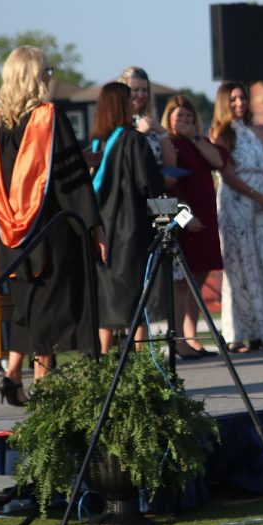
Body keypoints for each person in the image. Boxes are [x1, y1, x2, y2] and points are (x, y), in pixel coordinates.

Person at [0, 46, 105, 405]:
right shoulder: (47, 117)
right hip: (52, 231)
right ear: (35, 76)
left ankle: (13, 376)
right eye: (47, 71)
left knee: (30, 307)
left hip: (13, 235)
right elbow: (70, 183)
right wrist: (94, 227)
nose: (50, 77)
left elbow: (5, 180)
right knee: (53, 312)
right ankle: (46, 390)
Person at [210, 82, 263, 353]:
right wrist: (258, 197)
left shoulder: (255, 131)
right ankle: (237, 334)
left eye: (242, 98)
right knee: (240, 267)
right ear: (224, 101)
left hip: (261, 201)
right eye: (233, 99)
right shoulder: (221, 133)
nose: (239, 103)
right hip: (236, 202)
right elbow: (226, 174)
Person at [90, 82, 164, 354]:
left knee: (109, 298)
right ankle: (143, 362)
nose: (135, 102)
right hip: (131, 230)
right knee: (138, 297)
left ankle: (102, 363)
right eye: (129, 98)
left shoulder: (99, 142)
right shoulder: (133, 140)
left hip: (102, 230)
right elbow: (151, 185)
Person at [162, 95, 224, 359]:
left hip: (208, 218)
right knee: (181, 283)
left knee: (198, 280)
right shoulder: (168, 144)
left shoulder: (197, 143)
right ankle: (178, 339)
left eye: (189, 116)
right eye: (179, 116)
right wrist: (186, 219)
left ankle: (191, 335)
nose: (184, 121)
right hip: (186, 220)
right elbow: (169, 187)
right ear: (169, 118)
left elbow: (219, 162)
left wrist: (196, 138)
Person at [117, 67, 175, 183]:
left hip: (156, 192)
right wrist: (139, 132)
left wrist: (162, 133)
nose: (140, 95)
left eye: (144, 90)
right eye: (135, 90)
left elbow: (171, 167)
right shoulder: (117, 123)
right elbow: (117, 157)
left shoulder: (151, 122)